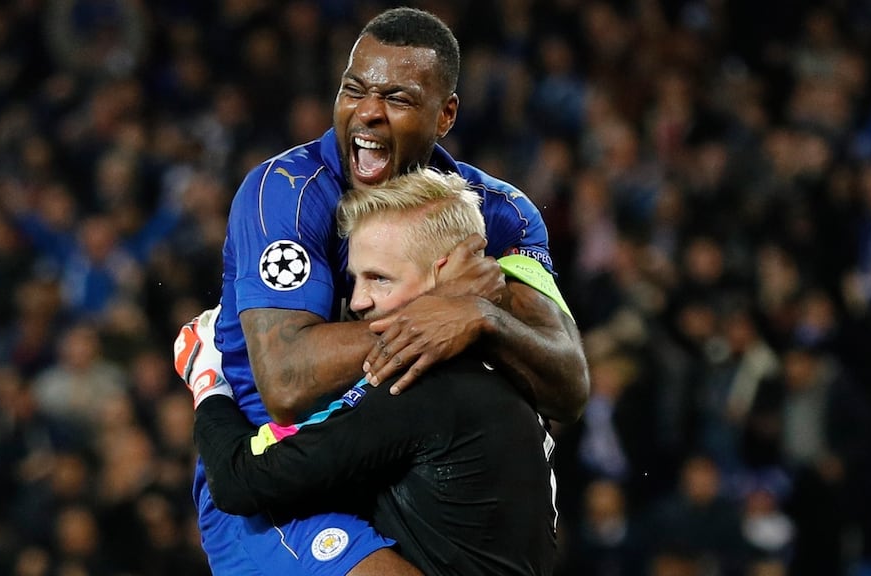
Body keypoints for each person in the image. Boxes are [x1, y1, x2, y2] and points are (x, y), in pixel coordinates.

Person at [188, 7, 589, 575]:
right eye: (354, 90)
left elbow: (566, 385)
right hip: (275, 478)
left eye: (397, 98)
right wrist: (442, 308)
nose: (368, 112)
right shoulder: (285, 193)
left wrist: (482, 316)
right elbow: (287, 380)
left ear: (445, 114)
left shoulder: (501, 215)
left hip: (405, 466)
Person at [185, 168, 560, 575]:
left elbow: (242, 481)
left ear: (444, 274)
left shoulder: (417, 389)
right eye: (356, 280)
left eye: (379, 279)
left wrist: (208, 381)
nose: (358, 302)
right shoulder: (508, 368)